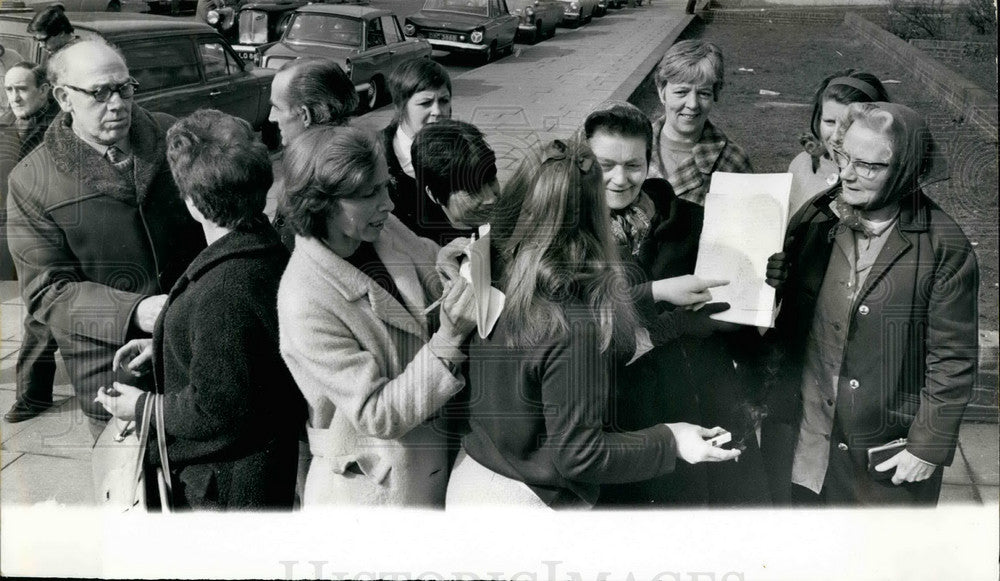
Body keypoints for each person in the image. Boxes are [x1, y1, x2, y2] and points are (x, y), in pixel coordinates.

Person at [446, 138, 741, 509]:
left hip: (475, 477)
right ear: (595, 217)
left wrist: (656, 298)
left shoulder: (495, 267)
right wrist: (671, 439)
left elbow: (555, 356)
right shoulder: (571, 320)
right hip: (530, 506)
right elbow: (579, 454)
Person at [760, 102, 978, 506]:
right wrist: (774, 281)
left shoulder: (943, 245)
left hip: (882, 452)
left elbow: (953, 358)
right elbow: (787, 317)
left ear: (905, 172)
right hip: (804, 434)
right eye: (843, 156)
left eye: (868, 166)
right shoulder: (818, 217)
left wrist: (926, 447)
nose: (846, 173)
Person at [95, 110, 304, 510]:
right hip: (254, 476)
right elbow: (246, 358)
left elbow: (218, 409)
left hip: (223, 493)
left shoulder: (224, 288)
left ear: (191, 202)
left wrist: (139, 407)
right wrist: (168, 345)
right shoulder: (264, 250)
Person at [5, 39, 205, 437]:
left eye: (124, 88)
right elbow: (48, 292)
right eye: (99, 93)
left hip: (198, 339)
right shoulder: (30, 180)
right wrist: (135, 310)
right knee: (132, 487)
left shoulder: (173, 136)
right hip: (109, 362)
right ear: (63, 97)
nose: (117, 103)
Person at [581, 102, 771, 506]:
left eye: (633, 165)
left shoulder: (692, 221)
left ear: (649, 162)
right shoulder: (570, 234)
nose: (619, 179)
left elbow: (733, 307)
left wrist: (766, 283)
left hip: (700, 393)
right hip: (620, 409)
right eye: (605, 164)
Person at [277, 125, 478, 507]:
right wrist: (448, 340)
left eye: (386, 186)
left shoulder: (378, 228)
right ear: (321, 202)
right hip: (378, 497)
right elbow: (377, 414)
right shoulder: (304, 299)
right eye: (370, 193)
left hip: (430, 463)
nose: (387, 202)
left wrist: (449, 261)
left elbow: (425, 261)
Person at [1, 62, 62, 423]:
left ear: (43, 90)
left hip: (53, 228)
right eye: (9, 90)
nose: (15, 97)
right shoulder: (8, 124)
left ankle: (32, 394)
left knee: (41, 310)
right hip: (17, 227)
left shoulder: (60, 126)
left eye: (22, 89)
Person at [266, 58, 359, 248]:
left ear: (305, 115)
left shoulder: (318, 180)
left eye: (277, 107)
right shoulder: (356, 159)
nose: (271, 117)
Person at [648, 39, 752, 206]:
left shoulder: (732, 161)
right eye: (681, 92)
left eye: (704, 93)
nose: (693, 104)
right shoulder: (634, 147)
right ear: (662, 92)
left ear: (715, 94)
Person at [787, 70, 890, 217]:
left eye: (848, 124)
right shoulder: (801, 165)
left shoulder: (885, 180)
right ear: (818, 120)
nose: (836, 137)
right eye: (829, 122)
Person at [383, 59, 452, 235]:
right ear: (400, 106)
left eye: (444, 100)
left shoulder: (462, 148)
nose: (437, 111)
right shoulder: (377, 155)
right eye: (425, 103)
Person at [409, 119, 499, 245]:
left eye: (492, 180)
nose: (491, 198)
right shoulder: (424, 246)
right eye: (473, 190)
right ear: (435, 196)